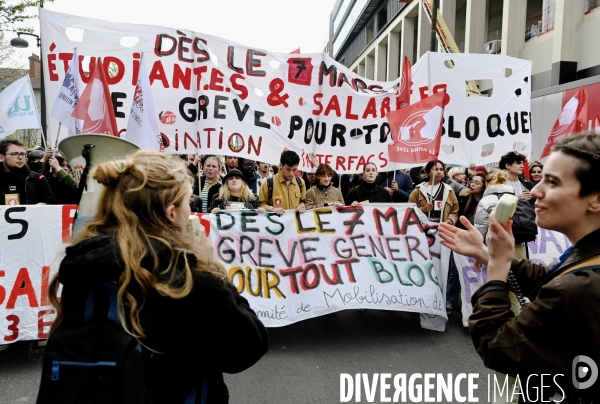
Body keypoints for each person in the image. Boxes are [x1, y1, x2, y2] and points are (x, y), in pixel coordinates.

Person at [46, 150, 268, 403]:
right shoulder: (190, 281)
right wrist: (213, 270)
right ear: (171, 212)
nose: (190, 209)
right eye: (187, 201)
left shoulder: (86, 266)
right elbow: (249, 347)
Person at [438, 132, 600, 401]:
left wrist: (498, 269)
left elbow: (497, 346)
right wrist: (487, 254)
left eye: (553, 182)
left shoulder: (579, 287)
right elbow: (548, 276)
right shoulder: (586, 257)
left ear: (595, 198)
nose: (536, 191)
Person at [446, 172, 487, 313]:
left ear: (484, 186)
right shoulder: (463, 197)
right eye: (472, 181)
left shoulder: (488, 202)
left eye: (477, 183)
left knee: (475, 272)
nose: (472, 184)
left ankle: (470, 303)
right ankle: (451, 300)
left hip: (478, 240)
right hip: (462, 238)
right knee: (455, 271)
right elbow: (457, 214)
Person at [0, 139, 55, 205]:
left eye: (22, 154)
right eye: (14, 154)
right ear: (2, 157)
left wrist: (43, 206)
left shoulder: (37, 179)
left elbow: (51, 204)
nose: (20, 157)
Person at [408, 160, 458, 225]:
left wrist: (450, 220)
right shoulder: (418, 190)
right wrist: (422, 209)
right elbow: (409, 210)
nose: (439, 172)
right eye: (435, 169)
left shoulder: (449, 190)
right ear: (428, 172)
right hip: (422, 229)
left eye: (441, 169)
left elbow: (454, 211)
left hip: (442, 229)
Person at [259, 150, 306, 216]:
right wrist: (272, 209)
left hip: (295, 223)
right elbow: (261, 205)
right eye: (288, 169)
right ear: (281, 165)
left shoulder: (301, 182)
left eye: (294, 170)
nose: (291, 174)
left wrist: (302, 206)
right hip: (277, 223)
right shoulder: (268, 183)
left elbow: (304, 201)